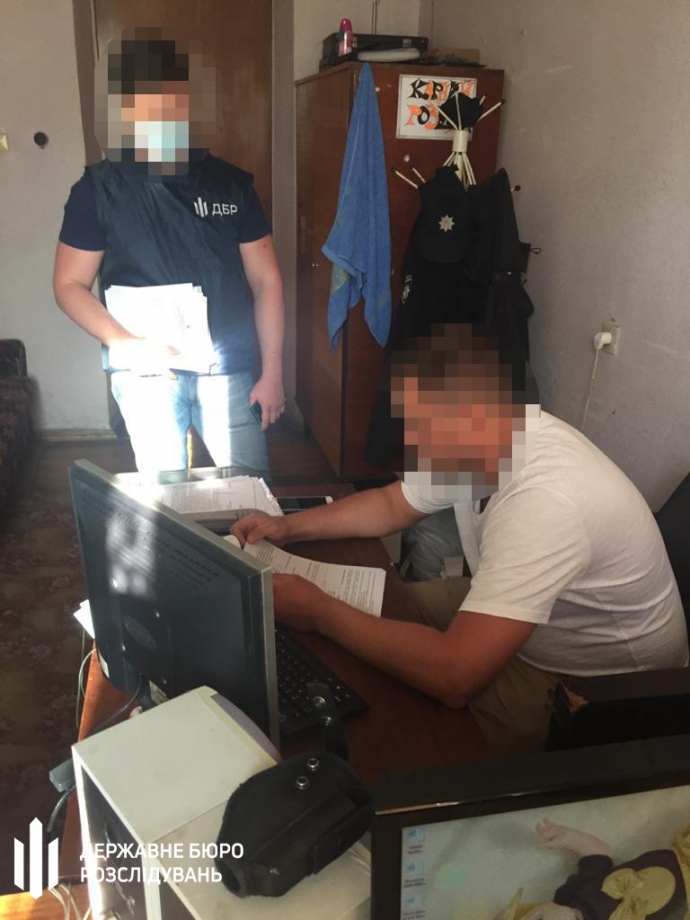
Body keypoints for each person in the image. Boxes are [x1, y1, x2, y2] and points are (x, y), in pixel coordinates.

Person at [232, 324, 687, 753]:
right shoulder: (488, 435)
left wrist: (319, 612)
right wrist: (289, 526)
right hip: (544, 621)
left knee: (394, 717)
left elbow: (455, 677)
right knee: (378, 612)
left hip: (597, 682)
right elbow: (391, 505)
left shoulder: (545, 501)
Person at [53, 28, 285, 477]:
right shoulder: (97, 190)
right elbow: (68, 284)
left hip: (228, 369)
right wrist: (128, 345)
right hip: (147, 376)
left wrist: (273, 371)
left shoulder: (232, 185)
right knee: (167, 498)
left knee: (252, 493)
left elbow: (266, 280)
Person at [501, 818, 690, 919]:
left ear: (539, 906)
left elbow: (598, 854)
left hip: (681, 856)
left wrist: (569, 837)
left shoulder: (573, 894)